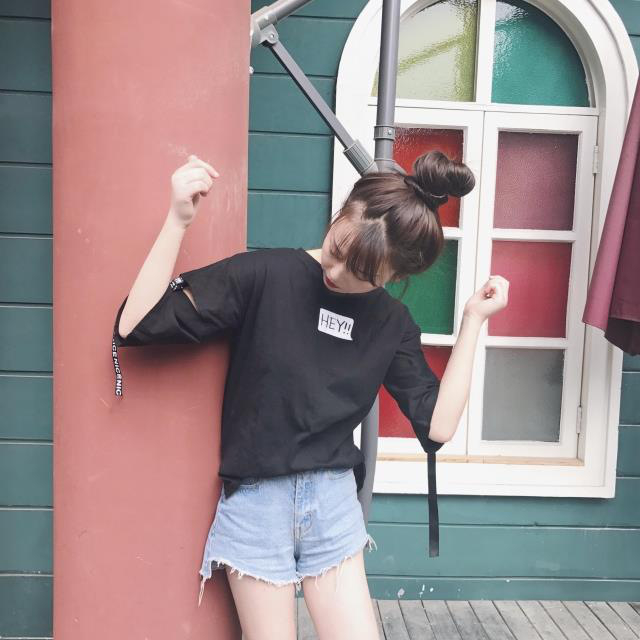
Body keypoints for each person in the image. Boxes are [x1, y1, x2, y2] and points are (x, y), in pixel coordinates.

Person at [112, 152, 508, 639]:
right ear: (342, 212)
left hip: (333, 501)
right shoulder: (266, 275)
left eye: (360, 272)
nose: (336, 272)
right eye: (336, 249)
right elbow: (136, 325)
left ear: (393, 279)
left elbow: (438, 426)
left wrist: (473, 321)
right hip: (257, 503)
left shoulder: (392, 323)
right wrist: (177, 220)